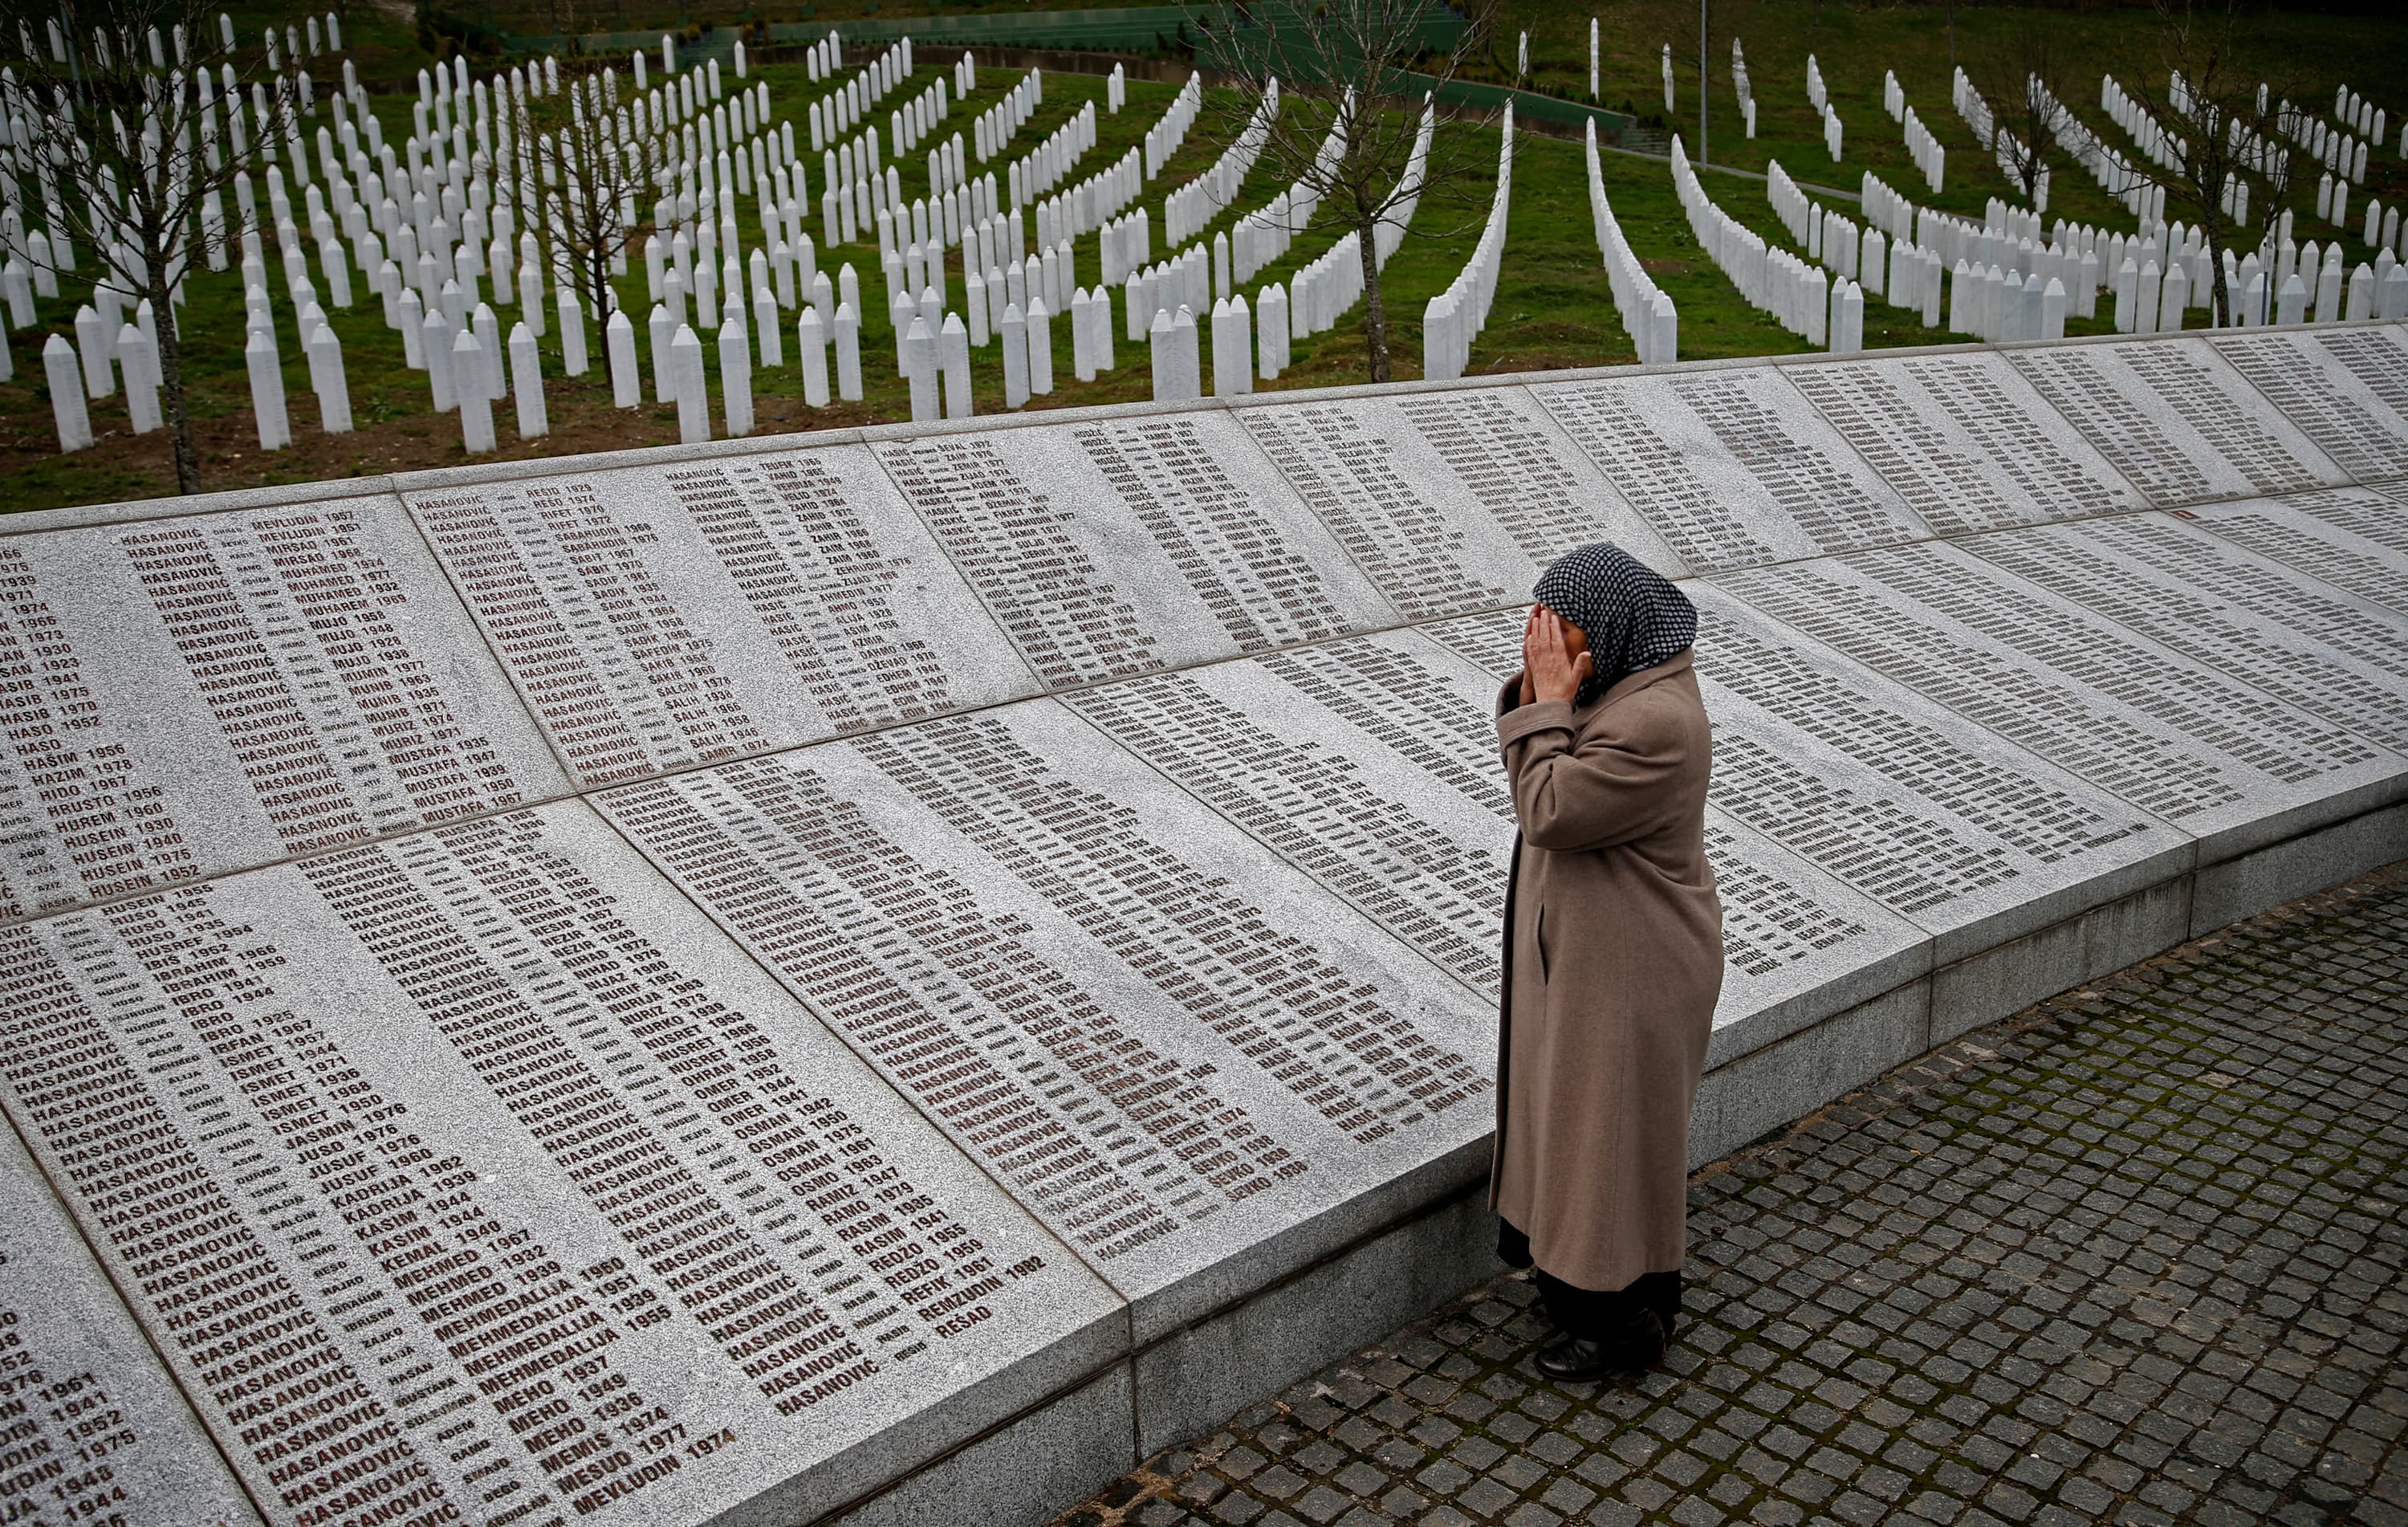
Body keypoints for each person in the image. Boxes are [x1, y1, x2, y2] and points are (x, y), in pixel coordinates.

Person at [1491, 543, 1724, 1382]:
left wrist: (1547, 702)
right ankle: (1637, 1287)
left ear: (1618, 631)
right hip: (1602, 956)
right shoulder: (1625, 687)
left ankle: (1617, 1326)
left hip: (1633, 968)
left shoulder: (1654, 722)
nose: (1545, 646)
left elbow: (1548, 807)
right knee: (1603, 1136)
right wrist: (1546, 696)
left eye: (1563, 632)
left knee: (1607, 1142)